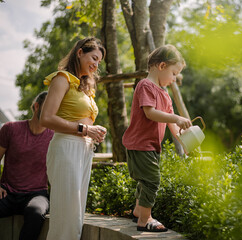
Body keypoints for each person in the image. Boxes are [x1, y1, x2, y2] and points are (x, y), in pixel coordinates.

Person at [40, 37, 107, 240]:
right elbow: (46, 118)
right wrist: (85, 129)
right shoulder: (62, 79)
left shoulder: (85, 89)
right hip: (66, 148)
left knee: (76, 214)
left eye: (99, 62)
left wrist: (94, 132)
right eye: (93, 58)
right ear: (79, 52)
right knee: (66, 215)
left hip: (84, 150)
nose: (96, 65)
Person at [122, 44, 192, 232]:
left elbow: (171, 123)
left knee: (146, 180)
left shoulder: (165, 94)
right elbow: (150, 113)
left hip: (151, 146)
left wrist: (184, 141)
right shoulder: (145, 86)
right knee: (152, 180)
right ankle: (145, 220)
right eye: (174, 73)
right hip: (140, 144)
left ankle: (138, 210)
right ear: (161, 66)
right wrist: (177, 117)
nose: (175, 78)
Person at [0, 91, 54, 240]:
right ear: (37, 107)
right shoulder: (10, 129)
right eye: (49, 108)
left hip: (36, 195)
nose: (52, 113)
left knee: (36, 213)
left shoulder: (55, 136)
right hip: (7, 193)